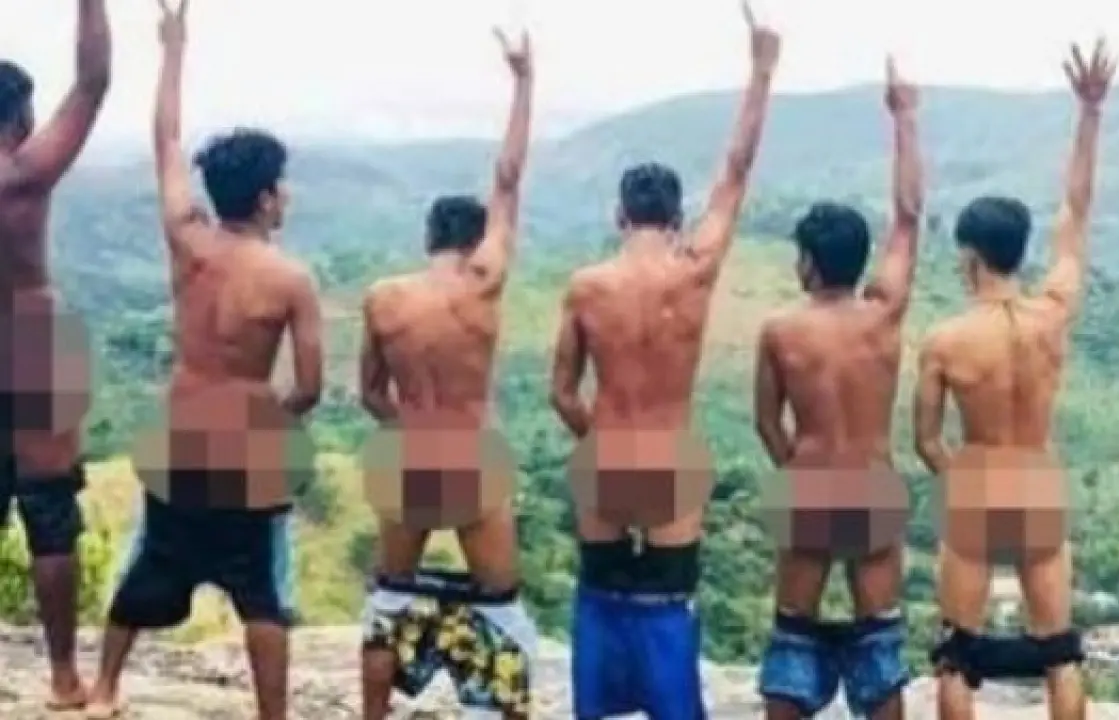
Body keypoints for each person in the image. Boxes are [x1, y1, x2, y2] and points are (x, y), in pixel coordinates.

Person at [86, 2, 324, 719]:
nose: (288, 196)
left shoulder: (187, 241)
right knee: (261, 592)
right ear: (266, 197)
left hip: (182, 436)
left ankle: (102, 692)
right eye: (283, 185)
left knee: (151, 563)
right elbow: (310, 388)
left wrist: (173, 50)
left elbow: (165, 141)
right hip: (248, 448)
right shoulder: (291, 280)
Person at [548, 4, 779, 718]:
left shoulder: (586, 287)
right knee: (669, 610)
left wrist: (598, 433)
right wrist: (761, 72)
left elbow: (562, 393)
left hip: (607, 458)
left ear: (620, 217)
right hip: (673, 462)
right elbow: (735, 172)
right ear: (676, 219)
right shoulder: (694, 272)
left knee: (600, 602)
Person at [911, 40, 1116, 720]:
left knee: (958, 651)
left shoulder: (945, 340)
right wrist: (1090, 113)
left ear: (969, 257)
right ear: (1020, 252)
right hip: (1037, 478)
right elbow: (1076, 211)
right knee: (1058, 649)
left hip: (977, 482)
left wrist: (963, 473)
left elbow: (926, 441)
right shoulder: (1053, 313)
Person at [357, 27, 535, 720]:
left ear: (429, 237)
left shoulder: (383, 297)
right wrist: (523, 81)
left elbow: (370, 392)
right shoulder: (483, 284)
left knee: (389, 600)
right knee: (502, 610)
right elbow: (508, 180)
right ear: (476, 240)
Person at [753, 57, 921, 720]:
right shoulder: (884, 317)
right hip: (873, 484)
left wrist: (797, 467)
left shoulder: (781, 330)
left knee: (793, 637)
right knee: (879, 644)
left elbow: (768, 423)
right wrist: (905, 118)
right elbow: (908, 218)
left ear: (809, 262)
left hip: (810, 484)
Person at [0, 0, 111, 711]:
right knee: (50, 514)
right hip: (37, 339)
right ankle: (66, 677)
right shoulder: (23, 173)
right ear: (20, 118)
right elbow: (94, 80)